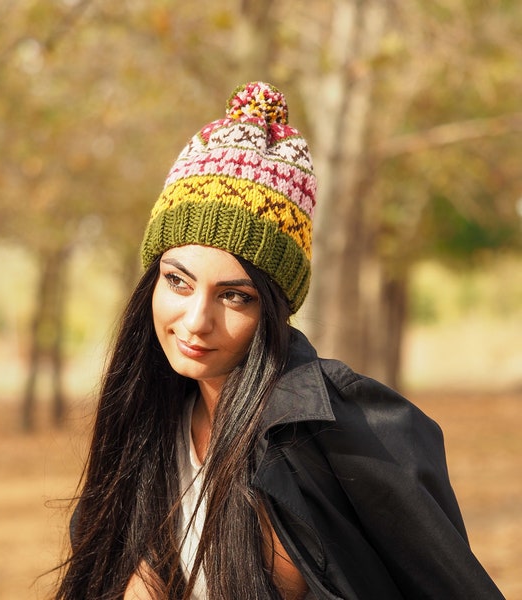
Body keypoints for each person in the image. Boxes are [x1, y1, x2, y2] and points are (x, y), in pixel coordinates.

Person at [55, 82, 504, 600]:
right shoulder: (145, 420)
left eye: (235, 296)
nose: (196, 320)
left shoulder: (340, 427)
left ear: (273, 307)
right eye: (177, 281)